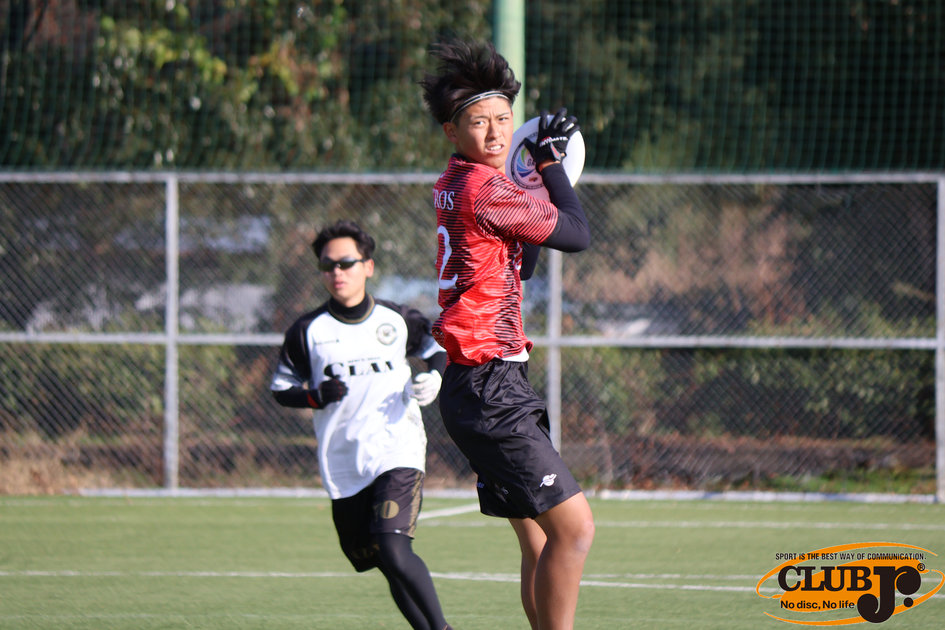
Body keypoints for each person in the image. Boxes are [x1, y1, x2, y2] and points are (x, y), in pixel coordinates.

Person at [420, 40, 595, 630]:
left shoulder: (457, 182)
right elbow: (575, 233)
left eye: (503, 119)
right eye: (479, 122)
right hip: (489, 388)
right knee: (574, 531)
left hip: (482, 385)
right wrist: (548, 166)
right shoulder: (486, 188)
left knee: (539, 541)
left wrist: (534, 180)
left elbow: (525, 262)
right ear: (451, 130)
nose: (496, 133)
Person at [270, 220, 453, 630]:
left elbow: (436, 348)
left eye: (347, 263)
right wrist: (315, 396)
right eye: (328, 265)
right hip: (344, 462)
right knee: (383, 559)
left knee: (393, 546)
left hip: (397, 448)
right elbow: (281, 388)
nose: (337, 272)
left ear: (368, 266)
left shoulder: (397, 318)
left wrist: (435, 377)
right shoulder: (307, 331)